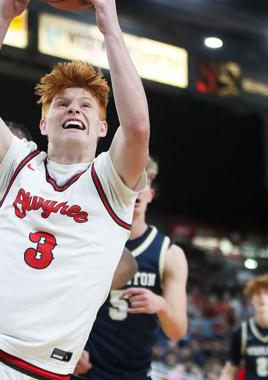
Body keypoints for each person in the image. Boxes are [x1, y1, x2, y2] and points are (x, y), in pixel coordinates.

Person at [0, 0, 149, 380]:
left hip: (43, 371)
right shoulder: (18, 164)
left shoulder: (112, 182)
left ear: (103, 127)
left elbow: (137, 125)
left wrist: (110, 29)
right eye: (62, 103)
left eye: (86, 105)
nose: (74, 109)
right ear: (44, 122)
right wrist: (2, 18)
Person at [0, 122, 139, 341]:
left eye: (10, 149)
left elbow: (126, 263)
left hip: (39, 341)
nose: (1, 154)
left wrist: (73, 302)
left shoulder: (50, 208)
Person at [73, 156, 188, 379]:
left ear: (150, 194)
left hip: (134, 373)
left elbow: (178, 331)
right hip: (83, 370)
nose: (136, 188)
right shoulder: (87, 239)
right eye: (130, 180)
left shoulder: (169, 253)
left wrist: (162, 305)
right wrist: (69, 347)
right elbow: (61, 302)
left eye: (143, 182)